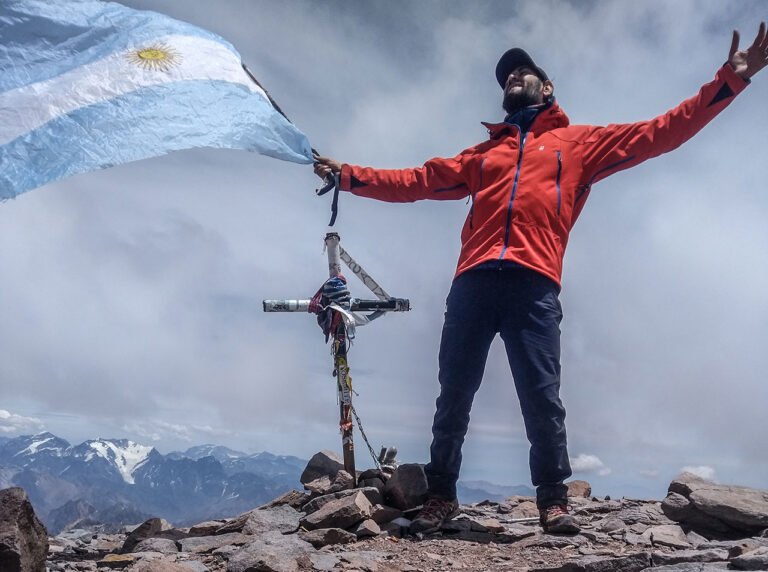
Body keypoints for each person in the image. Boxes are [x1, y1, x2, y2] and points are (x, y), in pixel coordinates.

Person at [314, 24, 768, 535]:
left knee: (541, 395)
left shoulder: (579, 144)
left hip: (534, 282)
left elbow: (663, 130)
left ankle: (553, 500)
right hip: (474, 280)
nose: (511, 77)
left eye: (521, 71)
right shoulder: (482, 155)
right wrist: (348, 175)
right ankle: (441, 496)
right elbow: (417, 180)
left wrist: (730, 80)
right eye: (505, 74)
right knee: (454, 392)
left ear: (546, 88)